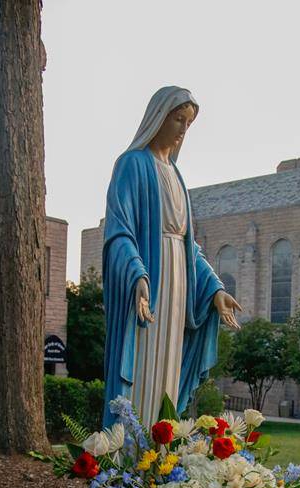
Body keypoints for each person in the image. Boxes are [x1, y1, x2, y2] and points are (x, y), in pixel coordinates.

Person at [102, 86, 241, 428]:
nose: (182, 130)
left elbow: (187, 246)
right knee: (144, 362)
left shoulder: (176, 176)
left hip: (178, 286)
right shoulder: (132, 164)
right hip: (149, 285)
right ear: (158, 118)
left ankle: (159, 447)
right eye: (178, 119)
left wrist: (215, 289)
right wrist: (137, 274)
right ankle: (129, 449)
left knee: (167, 366)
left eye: (188, 124)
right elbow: (119, 230)